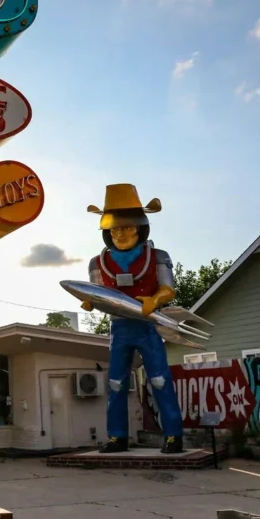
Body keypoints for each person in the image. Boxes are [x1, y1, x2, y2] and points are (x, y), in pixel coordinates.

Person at [82, 183, 184, 454]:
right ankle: (117, 436)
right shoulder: (98, 263)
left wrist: (155, 300)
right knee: (115, 383)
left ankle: (173, 434)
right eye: (116, 228)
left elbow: (167, 288)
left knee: (160, 379)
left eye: (127, 227)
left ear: (139, 228)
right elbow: (98, 292)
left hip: (148, 327)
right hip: (119, 329)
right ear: (107, 231)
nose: (121, 233)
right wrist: (90, 302)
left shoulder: (157, 257)